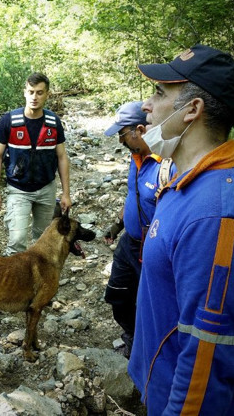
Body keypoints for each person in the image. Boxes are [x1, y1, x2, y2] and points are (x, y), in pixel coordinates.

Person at [128, 44, 234, 415]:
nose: (147, 105)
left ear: (192, 110)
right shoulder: (219, 175)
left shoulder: (216, 214)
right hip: (161, 382)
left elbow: (207, 354)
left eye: (160, 93)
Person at [102, 101, 173, 359]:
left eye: (122, 134)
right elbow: (134, 196)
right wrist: (118, 225)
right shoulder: (135, 158)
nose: (120, 141)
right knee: (117, 296)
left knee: (151, 303)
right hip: (128, 243)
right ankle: (132, 336)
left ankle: (150, 349)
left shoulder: (167, 165)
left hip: (152, 249)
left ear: (140, 130)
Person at [0, 72, 72, 255]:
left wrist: (66, 193)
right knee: (17, 240)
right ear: (24, 92)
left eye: (40, 92)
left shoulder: (53, 122)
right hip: (18, 189)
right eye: (31, 92)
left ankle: (39, 281)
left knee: (43, 240)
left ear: (47, 94)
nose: (35, 97)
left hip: (46, 189)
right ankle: (13, 282)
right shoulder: (9, 121)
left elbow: (61, 157)